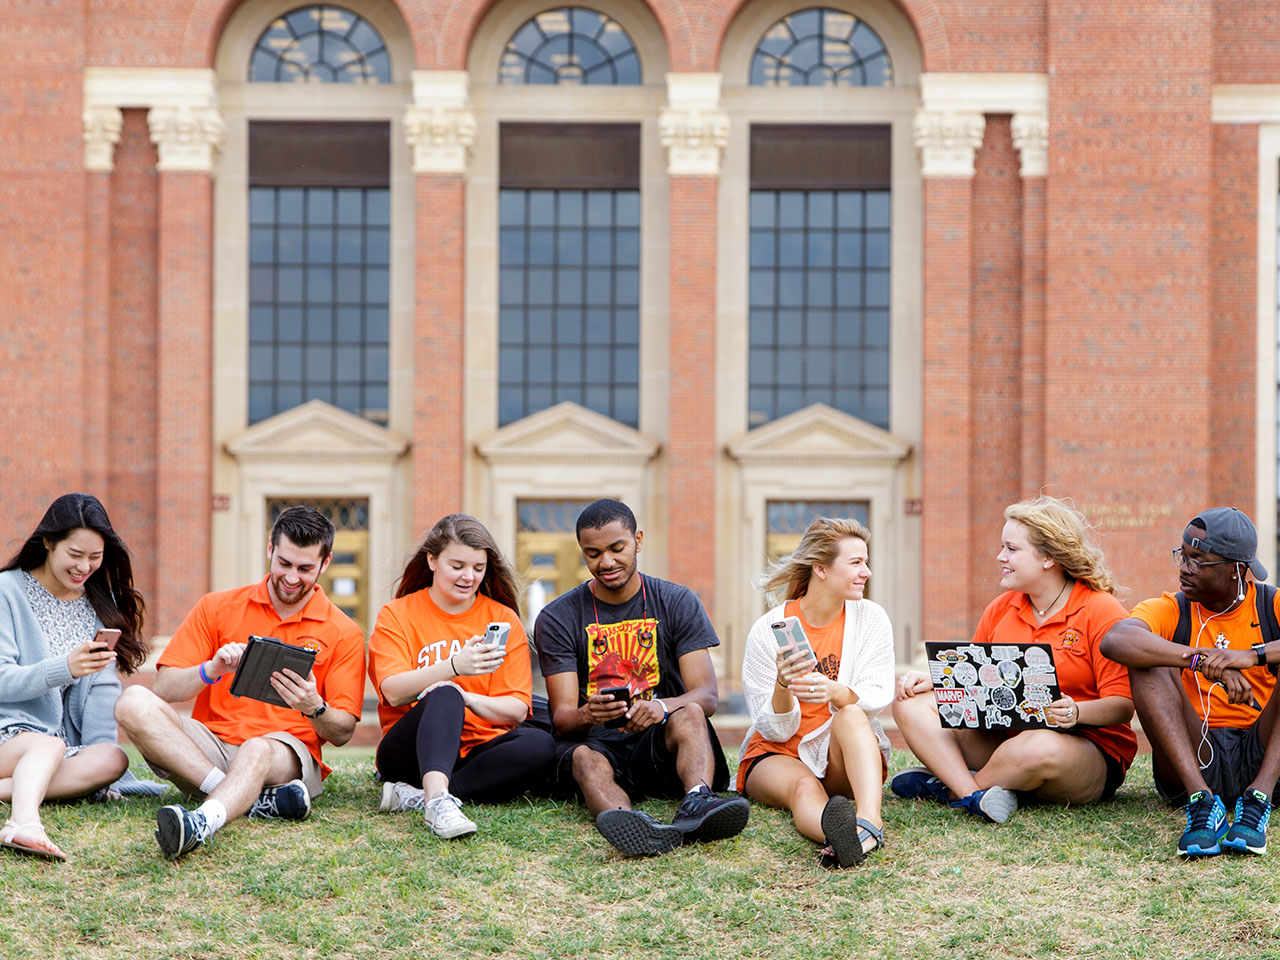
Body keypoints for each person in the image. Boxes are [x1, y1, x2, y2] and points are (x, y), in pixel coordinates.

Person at [115, 506, 365, 861]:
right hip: (211, 747)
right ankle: (247, 798)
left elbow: (341, 733)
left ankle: (202, 822)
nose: (292, 577)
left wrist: (314, 705)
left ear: (325, 564)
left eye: (305, 568)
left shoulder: (344, 632)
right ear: (270, 550)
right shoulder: (217, 607)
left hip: (284, 756)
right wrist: (212, 668)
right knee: (132, 702)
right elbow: (165, 689)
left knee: (257, 748)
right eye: (284, 563)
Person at [892, 495, 1136, 823]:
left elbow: (1123, 705)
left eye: (1011, 549)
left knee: (1036, 746)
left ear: (1048, 557)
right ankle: (976, 796)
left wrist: (1075, 712)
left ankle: (949, 788)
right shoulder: (1000, 608)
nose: (1000, 556)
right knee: (909, 704)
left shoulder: (1100, 610)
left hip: (1082, 752)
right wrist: (937, 680)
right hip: (1006, 738)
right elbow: (978, 683)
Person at [534, 499, 749, 856]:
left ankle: (696, 802)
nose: (606, 562)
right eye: (593, 553)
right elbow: (563, 720)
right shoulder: (558, 618)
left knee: (690, 713)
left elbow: (707, 696)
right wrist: (588, 714)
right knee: (584, 758)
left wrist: (662, 706)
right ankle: (631, 826)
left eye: (617, 548)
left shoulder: (677, 601)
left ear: (639, 540)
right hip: (599, 744)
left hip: (660, 743)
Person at [1100, 507, 1280, 857]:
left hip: (1264, 754)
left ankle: (1260, 797)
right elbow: (1116, 640)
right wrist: (1199, 658)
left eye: (1198, 560)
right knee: (1146, 659)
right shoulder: (1174, 608)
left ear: (1237, 570)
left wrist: (1251, 656)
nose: (1184, 567)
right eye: (1182, 555)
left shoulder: (1270, 604)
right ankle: (1202, 804)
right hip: (1196, 757)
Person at [368, 514, 554, 837]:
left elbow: (517, 710)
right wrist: (454, 668)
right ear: (432, 560)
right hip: (408, 753)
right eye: (458, 566)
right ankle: (438, 803)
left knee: (541, 745)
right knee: (444, 694)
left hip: (478, 751)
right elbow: (393, 692)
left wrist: (467, 698)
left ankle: (417, 796)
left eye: (478, 569)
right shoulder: (396, 615)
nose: (469, 577)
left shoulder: (501, 618)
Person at [737, 517, 894, 868]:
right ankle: (841, 838)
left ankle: (870, 824)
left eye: (865, 562)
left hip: (840, 753)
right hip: (778, 753)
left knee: (852, 713)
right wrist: (782, 684)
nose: (866, 572)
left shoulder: (871, 619)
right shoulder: (769, 630)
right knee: (804, 789)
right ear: (820, 569)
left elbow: (879, 691)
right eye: (855, 563)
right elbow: (773, 728)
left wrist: (835, 690)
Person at [0, 493, 147, 861]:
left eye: (94, 558)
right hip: (9, 735)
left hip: (59, 747)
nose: (84, 567)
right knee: (46, 745)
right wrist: (63, 668)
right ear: (48, 541)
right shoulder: (8, 591)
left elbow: (102, 690)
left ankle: (15, 788)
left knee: (113, 758)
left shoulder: (97, 603)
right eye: (75, 555)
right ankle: (23, 823)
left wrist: (107, 780)